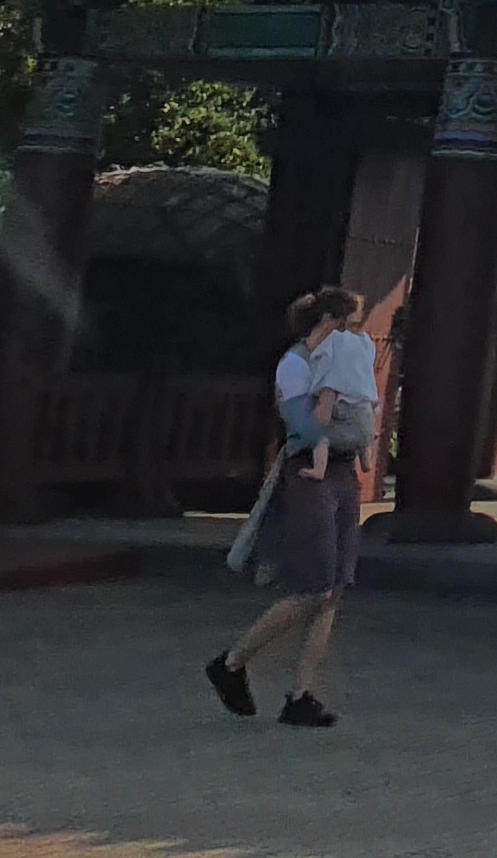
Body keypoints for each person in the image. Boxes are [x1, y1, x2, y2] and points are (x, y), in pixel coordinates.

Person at [207, 274, 405, 728]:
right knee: (312, 588)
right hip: (308, 473)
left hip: (343, 472)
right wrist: (343, 408)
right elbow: (303, 425)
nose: (356, 334)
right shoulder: (295, 364)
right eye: (350, 324)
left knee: (333, 590)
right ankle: (232, 661)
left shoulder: (342, 360)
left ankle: (302, 694)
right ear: (330, 322)